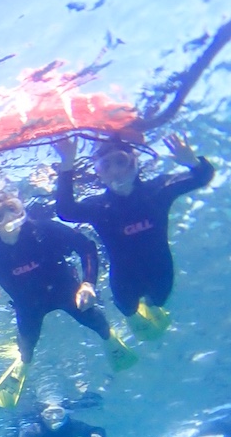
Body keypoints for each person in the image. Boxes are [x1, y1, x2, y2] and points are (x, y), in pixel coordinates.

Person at [0, 184, 135, 409]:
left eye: (12, 209)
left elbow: (87, 247)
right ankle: (23, 360)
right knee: (27, 348)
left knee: (98, 323)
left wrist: (88, 283)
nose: (9, 217)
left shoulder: (45, 230)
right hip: (28, 307)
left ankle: (109, 338)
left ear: (21, 210)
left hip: (67, 291)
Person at [53, 134, 214, 340]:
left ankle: (151, 308)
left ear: (135, 161)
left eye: (121, 161)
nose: (116, 172)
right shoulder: (98, 207)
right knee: (126, 308)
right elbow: (66, 211)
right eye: (106, 166)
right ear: (99, 173)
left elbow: (202, 177)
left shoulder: (158, 189)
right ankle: (136, 315)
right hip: (124, 280)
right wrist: (66, 164)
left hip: (160, 273)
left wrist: (192, 161)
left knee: (158, 300)